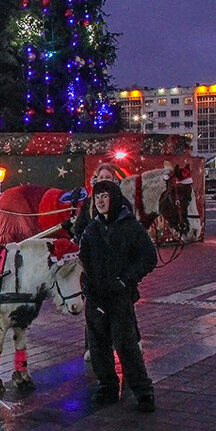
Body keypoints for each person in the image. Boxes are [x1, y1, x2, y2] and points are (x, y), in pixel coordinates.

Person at [79, 179, 158, 412]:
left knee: (126, 344)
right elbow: (82, 260)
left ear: (114, 198)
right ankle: (107, 387)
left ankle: (143, 391)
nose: (101, 201)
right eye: (97, 197)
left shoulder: (130, 226)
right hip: (95, 297)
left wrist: (125, 280)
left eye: (105, 196)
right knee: (98, 346)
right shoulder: (91, 229)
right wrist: (87, 287)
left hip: (119, 296)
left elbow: (148, 258)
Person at [67, 161, 126, 241]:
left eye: (107, 177)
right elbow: (79, 228)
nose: (104, 180)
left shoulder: (122, 201)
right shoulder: (88, 203)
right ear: (96, 180)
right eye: (101, 177)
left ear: (114, 180)